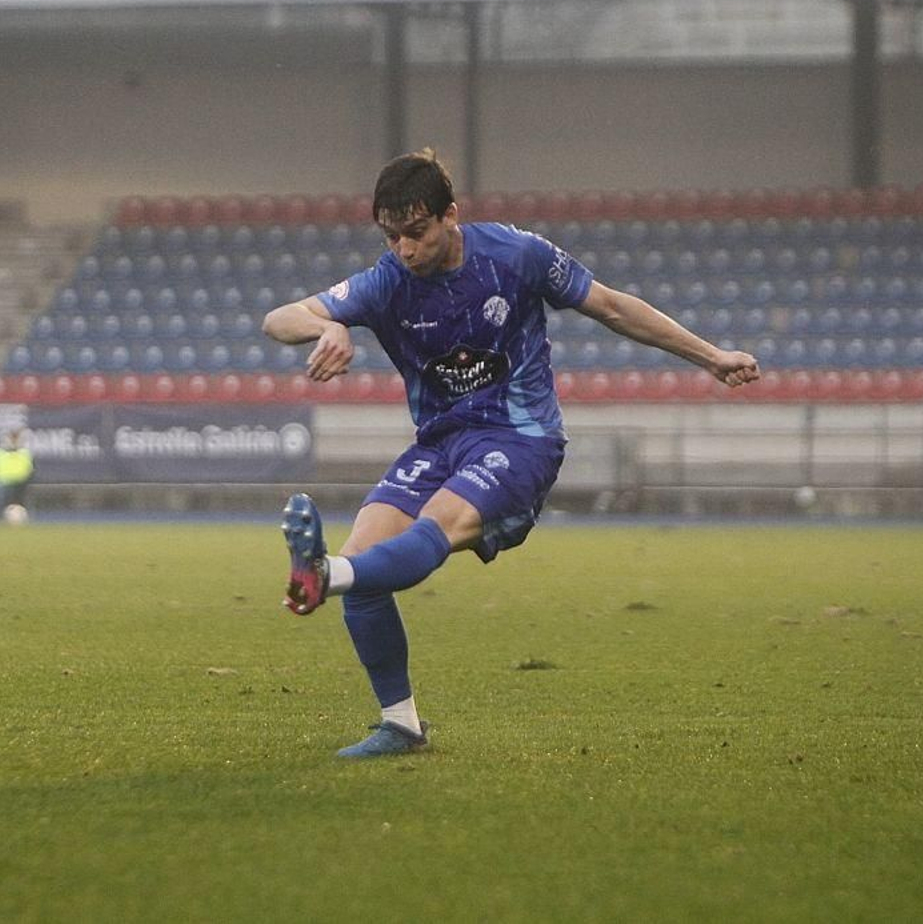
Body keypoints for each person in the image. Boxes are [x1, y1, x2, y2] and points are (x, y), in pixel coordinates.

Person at [263, 149, 759, 759]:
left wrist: (711, 357)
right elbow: (278, 319)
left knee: (433, 531)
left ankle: (323, 577)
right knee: (367, 562)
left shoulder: (517, 255)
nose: (405, 250)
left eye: (416, 233)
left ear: (451, 215)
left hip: (519, 441)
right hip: (441, 443)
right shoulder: (387, 282)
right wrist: (325, 325)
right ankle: (401, 724)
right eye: (392, 237)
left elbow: (610, 305)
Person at [0, 429, 34, 520]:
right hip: (3, 481)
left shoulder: (24, 453)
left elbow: (29, 468)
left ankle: (25, 518)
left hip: (20, 482)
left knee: (23, 501)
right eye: (12, 439)